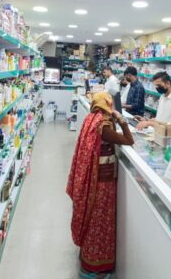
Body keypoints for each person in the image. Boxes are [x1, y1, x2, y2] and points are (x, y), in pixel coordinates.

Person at [67, 92, 134, 278]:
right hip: (102, 183)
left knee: (92, 218)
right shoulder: (103, 125)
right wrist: (121, 119)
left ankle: (88, 257)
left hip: (94, 180)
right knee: (100, 221)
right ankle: (95, 267)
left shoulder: (91, 119)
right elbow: (129, 140)